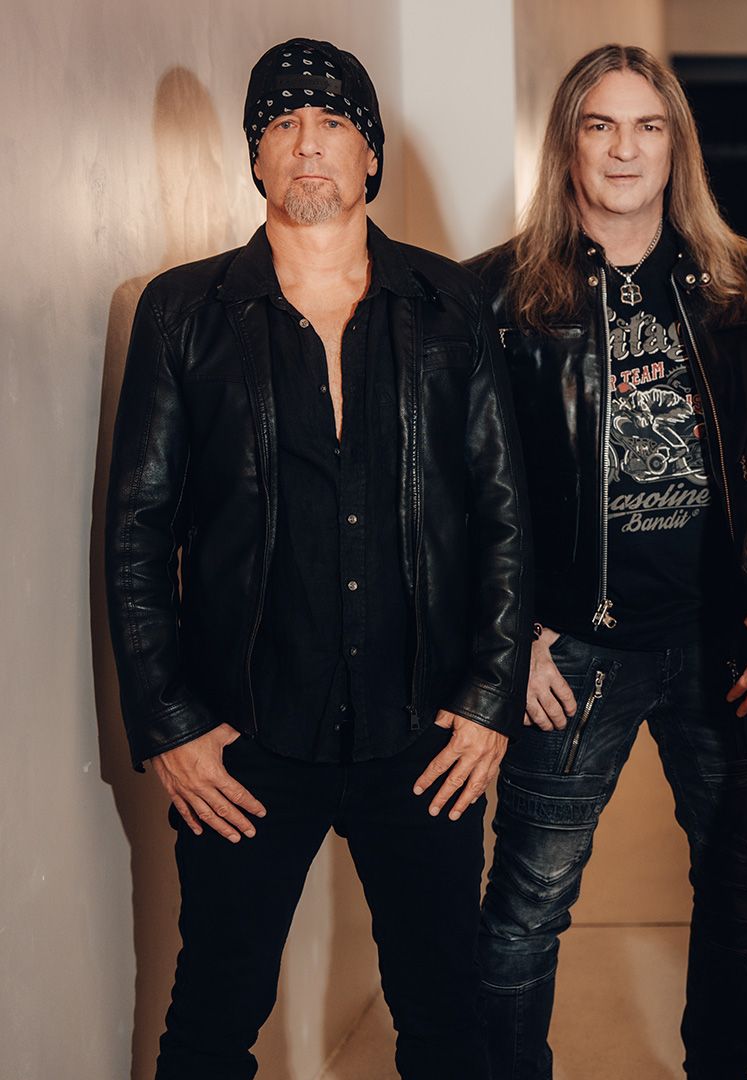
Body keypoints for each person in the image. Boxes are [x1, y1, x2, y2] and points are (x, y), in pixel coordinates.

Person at [103, 37, 528, 1080]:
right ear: (254, 156)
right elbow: (137, 530)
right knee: (210, 1025)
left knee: (449, 1025)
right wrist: (170, 724)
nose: (307, 144)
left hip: (424, 733)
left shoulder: (448, 305)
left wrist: (489, 699)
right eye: (282, 124)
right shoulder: (183, 313)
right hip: (244, 740)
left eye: (332, 122)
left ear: (369, 153)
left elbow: (504, 515)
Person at [464, 45, 747, 1080]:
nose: (624, 149)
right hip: (570, 653)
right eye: (600, 125)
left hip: (722, 644)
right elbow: (456, 492)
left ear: (675, 146)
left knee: (745, 886)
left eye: (648, 126)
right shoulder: (497, 296)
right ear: (568, 144)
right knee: (528, 905)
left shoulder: (744, 285)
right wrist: (511, 641)